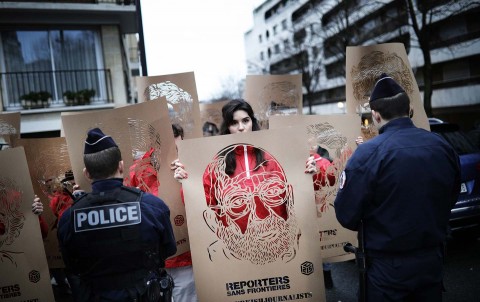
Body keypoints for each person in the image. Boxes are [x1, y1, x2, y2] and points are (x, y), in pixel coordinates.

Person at [334, 74, 461, 301]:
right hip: (432, 261)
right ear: (409, 108)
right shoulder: (441, 146)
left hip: (387, 270)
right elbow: (451, 195)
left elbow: (346, 214)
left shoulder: (368, 154)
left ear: (375, 115)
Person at [57, 128, 177, 302]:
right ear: (121, 166)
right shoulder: (152, 207)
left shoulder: (69, 218)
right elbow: (168, 249)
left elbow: (70, 263)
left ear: (87, 173)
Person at [126, 123, 198, 302]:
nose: (173, 152)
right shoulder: (138, 170)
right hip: (152, 257)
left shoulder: (190, 164)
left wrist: (186, 183)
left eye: (177, 148)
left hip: (185, 256)